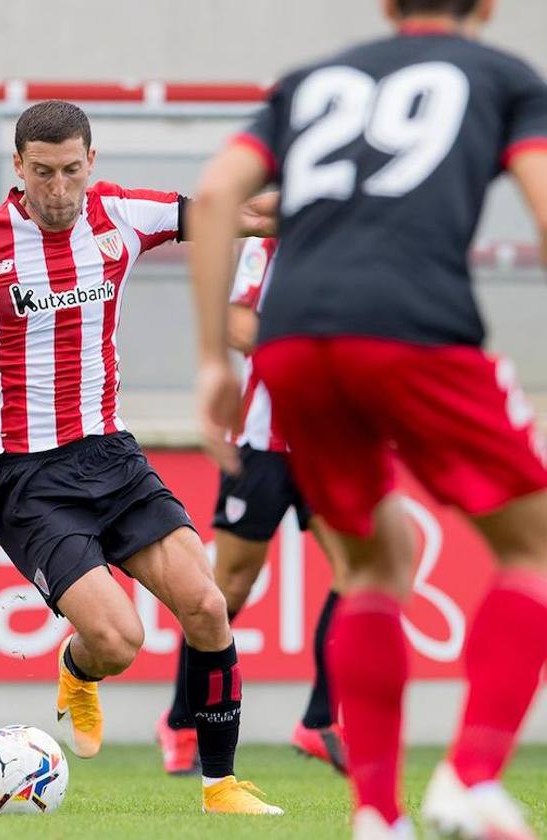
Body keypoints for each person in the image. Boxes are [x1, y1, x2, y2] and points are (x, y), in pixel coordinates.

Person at [188, 0, 547, 836]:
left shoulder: (311, 81)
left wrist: (213, 358)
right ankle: (470, 775)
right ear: (487, 7)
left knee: (375, 566)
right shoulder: (505, 77)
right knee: (531, 548)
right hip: (417, 328)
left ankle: (377, 816)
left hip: (294, 344)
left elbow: (214, 196)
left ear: (387, 7)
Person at [0, 99, 283, 815]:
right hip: (31, 478)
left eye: (70, 172)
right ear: (18, 168)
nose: (57, 191)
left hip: (114, 457)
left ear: (91, 162)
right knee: (118, 643)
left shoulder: (124, 214)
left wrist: (344, 208)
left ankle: (220, 787)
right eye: (42, 174)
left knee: (208, 607)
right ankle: (77, 666)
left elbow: (239, 216)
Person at [158, 237, 346, 776]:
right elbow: (239, 325)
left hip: (330, 448)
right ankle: (181, 721)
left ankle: (318, 721)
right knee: (226, 591)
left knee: (362, 574)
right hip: (264, 446)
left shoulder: (366, 238)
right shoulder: (271, 243)